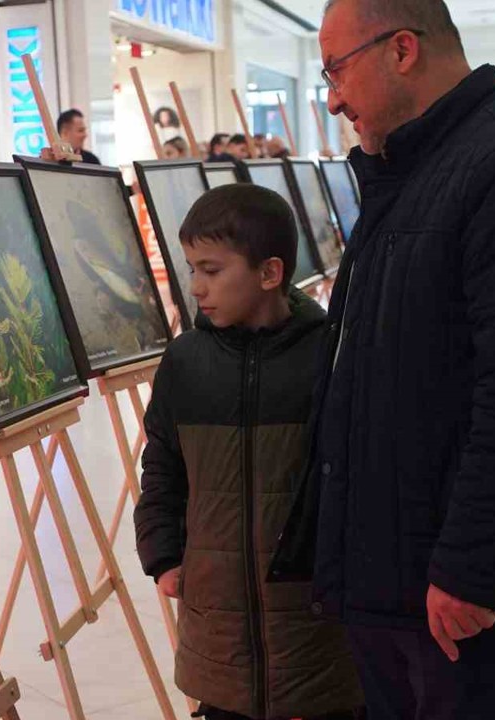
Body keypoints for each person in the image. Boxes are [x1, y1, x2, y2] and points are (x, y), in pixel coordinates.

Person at [270, 1, 495, 718]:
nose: (334, 97)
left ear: (402, 49)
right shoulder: (415, 163)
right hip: (400, 562)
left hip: (456, 587)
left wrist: (474, 565)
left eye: (336, 71)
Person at [135, 184, 365, 720]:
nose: (195, 287)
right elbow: (163, 463)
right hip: (217, 625)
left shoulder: (331, 354)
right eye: (191, 269)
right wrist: (164, 552)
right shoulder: (186, 362)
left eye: (211, 271)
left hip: (314, 625)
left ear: (269, 273)